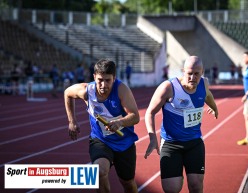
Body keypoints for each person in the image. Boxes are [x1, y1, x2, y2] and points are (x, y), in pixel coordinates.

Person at [144, 56, 218, 193]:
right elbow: (150, 112)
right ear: (183, 71)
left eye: (196, 74)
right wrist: (153, 138)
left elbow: (208, 95)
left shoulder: (204, 83)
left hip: (194, 143)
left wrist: (214, 107)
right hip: (171, 144)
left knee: (196, 185)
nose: (192, 77)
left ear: (202, 73)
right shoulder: (168, 87)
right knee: (172, 189)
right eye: (189, 73)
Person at [64, 59, 140, 193]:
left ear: (114, 78)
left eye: (108, 80)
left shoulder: (122, 90)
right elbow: (67, 93)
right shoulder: (86, 90)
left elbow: (135, 116)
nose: (103, 85)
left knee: (127, 182)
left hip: (124, 142)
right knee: (99, 171)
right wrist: (72, 121)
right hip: (101, 140)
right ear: (94, 77)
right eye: (100, 80)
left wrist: (120, 122)